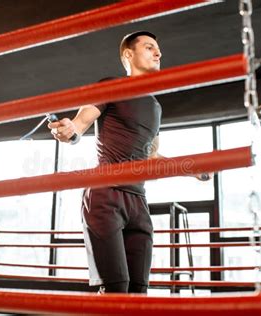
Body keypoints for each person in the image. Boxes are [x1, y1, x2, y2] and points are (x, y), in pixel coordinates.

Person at [48, 31, 210, 293]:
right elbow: (81, 121)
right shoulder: (110, 85)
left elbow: (152, 156)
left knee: (138, 291)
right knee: (116, 289)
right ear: (128, 55)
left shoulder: (156, 108)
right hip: (105, 196)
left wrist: (193, 170)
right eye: (149, 47)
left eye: (158, 49)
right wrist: (70, 130)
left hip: (138, 202)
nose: (158, 53)